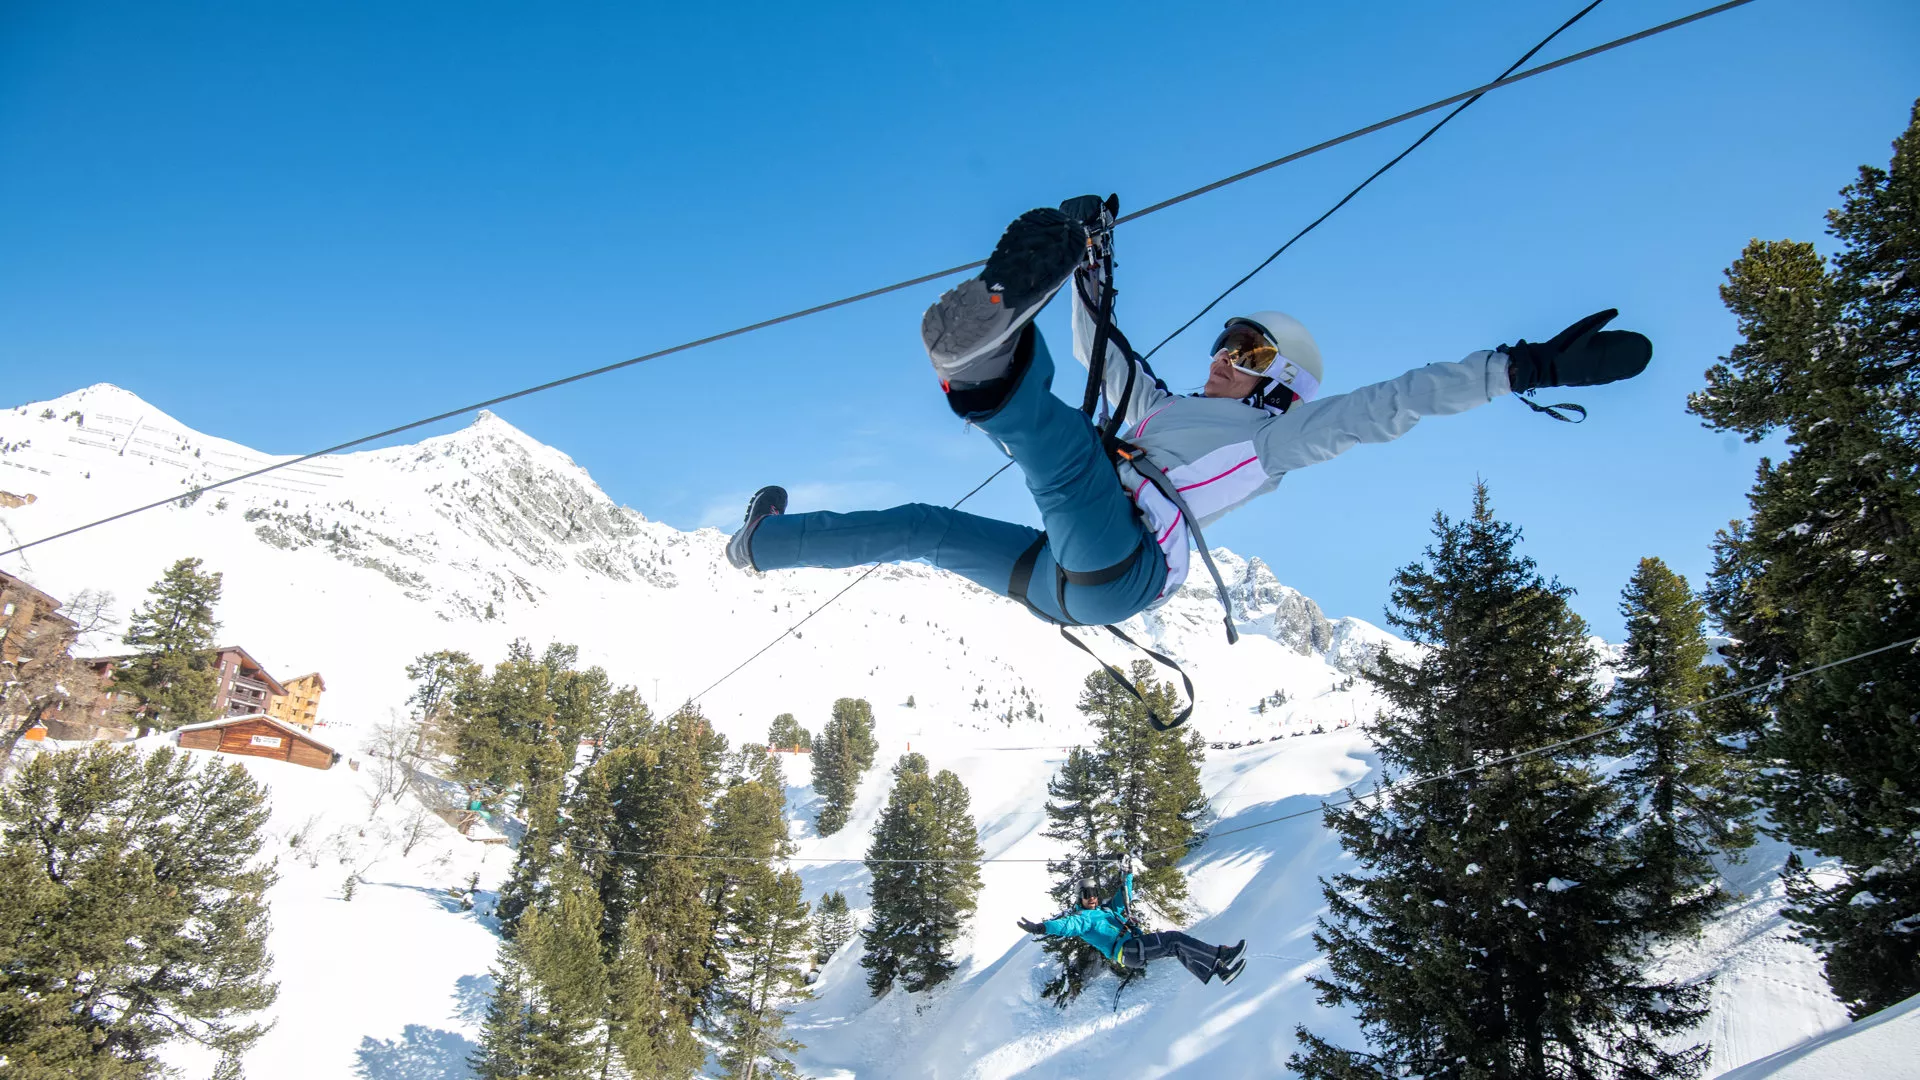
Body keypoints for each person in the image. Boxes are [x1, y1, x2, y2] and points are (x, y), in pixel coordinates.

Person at [725, 200, 1651, 634]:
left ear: (1282, 384)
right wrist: (1088, 255)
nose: (1223, 357)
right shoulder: (1162, 406)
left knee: (1062, 452)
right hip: (1063, 579)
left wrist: (1517, 366)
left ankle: (979, 365)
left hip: (1121, 564)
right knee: (927, 527)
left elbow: (1390, 406)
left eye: (1249, 355)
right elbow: (1099, 344)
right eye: (1226, 340)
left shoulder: (1277, 441)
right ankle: (760, 546)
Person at [1014, 864, 1247, 986]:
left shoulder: (1106, 910)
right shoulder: (1082, 919)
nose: (1092, 897)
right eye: (1086, 894)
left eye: (1093, 892)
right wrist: (1042, 928)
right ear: (1079, 898)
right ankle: (1221, 955)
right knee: (1174, 938)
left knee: (1177, 947)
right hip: (1127, 950)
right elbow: (1065, 926)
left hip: (1131, 950)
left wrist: (1126, 873)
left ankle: (1219, 971)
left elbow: (1123, 895)